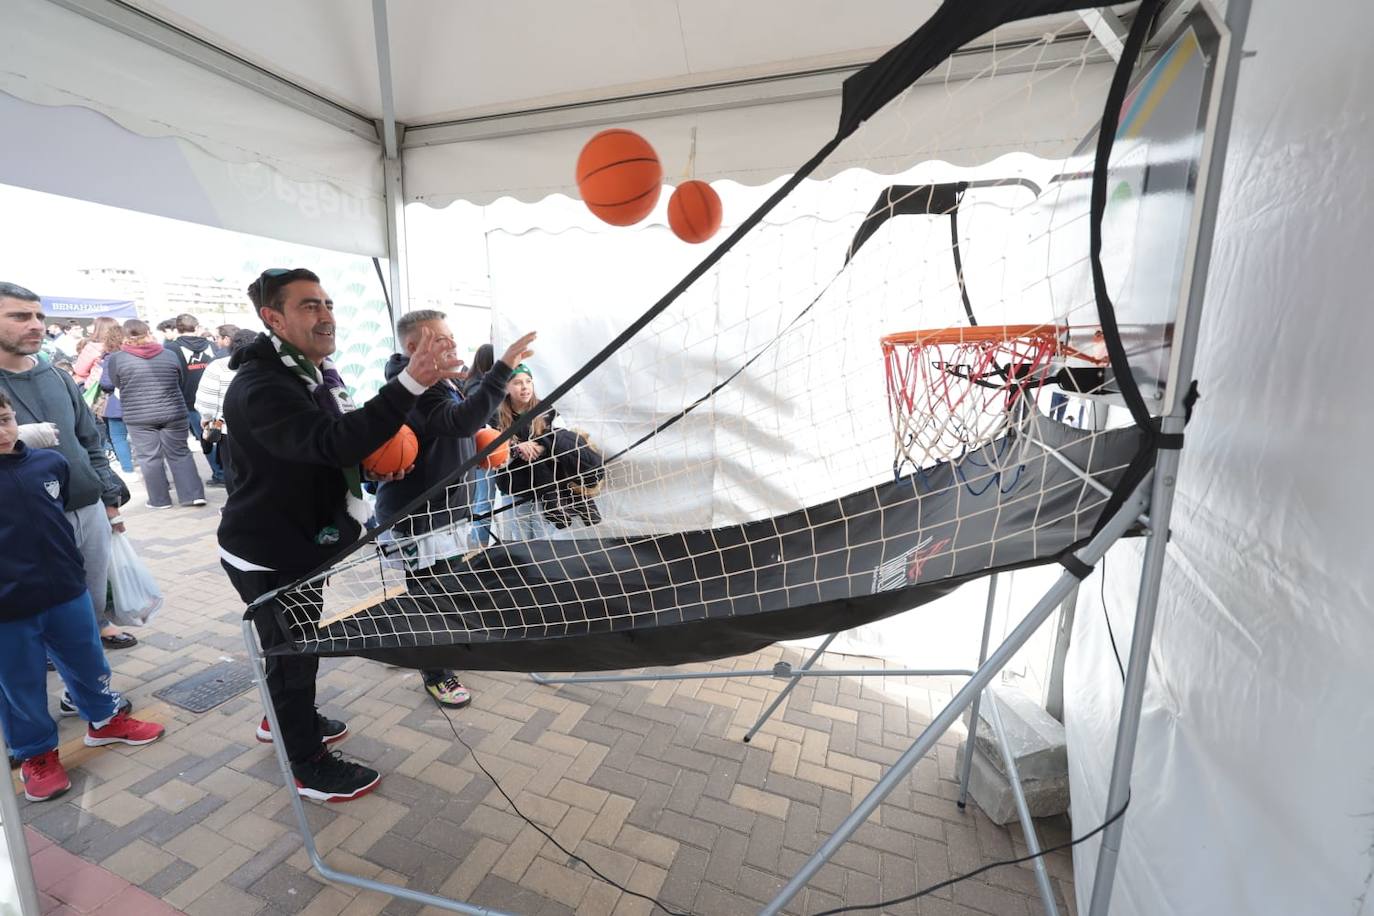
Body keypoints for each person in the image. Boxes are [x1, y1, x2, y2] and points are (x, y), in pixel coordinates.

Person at [218, 267, 463, 802]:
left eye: (327, 303)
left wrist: (372, 469)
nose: (326, 314)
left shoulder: (313, 375)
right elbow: (329, 442)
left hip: (305, 539)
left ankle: (285, 718)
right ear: (273, 318)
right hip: (269, 551)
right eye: (309, 306)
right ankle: (307, 765)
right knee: (292, 655)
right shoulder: (263, 386)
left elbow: (326, 454)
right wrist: (411, 384)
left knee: (296, 651)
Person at [0, 390, 166, 801]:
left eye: (3, 418)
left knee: (88, 661)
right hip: (8, 610)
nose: (1, 431)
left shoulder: (49, 463)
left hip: (66, 591)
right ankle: (36, 753)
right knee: (20, 685)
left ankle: (104, 720)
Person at [375, 313, 534, 709]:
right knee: (431, 597)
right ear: (414, 349)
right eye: (442, 339)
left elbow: (458, 431)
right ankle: (436, 671)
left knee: (445, 591)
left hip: (446, 513)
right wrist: (503, 369)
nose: (453, 345)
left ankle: (428, 649)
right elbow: (460, 422)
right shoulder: (411, 390)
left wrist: (477, 451)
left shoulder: (441, 382)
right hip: (418, 517)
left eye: (452, 336)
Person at [0, 283, 138, 650]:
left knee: (89, 596)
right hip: (22, 520)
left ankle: (87, 660)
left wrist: (107, 496)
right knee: (37, 613)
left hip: (85, 505)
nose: (35, 325)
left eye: (39, 316)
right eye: (19, 316)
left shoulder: (57, 375)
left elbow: (89, 439)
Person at [102, 319, 206, 509]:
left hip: (138, 415)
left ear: (125, 336)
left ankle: (160, 500)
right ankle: (192, 495)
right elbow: (179, 378)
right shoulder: (168, 353)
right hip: (173, 410)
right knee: (180, 453)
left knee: (149, 457)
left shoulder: (117, 358)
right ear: (149, 332)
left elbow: (115, 383)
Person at [194, 328, 256, 494]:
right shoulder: (270, 365)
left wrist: (206, 418)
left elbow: (206, 402)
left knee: (234, 471)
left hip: (230, 429)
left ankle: (240, 509)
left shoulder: (219, 366)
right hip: (265, 428)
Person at [165, 313, 222, 486]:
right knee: (224, 436)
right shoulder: (212, 345)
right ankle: (228, 471)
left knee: (207, 437)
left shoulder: (170, 349)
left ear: (177, 329)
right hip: (218, 397)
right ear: (196, 327)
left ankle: (219, 474)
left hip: (191, 402)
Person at [464, 344, 498, 547]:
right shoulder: (479, 387)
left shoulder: (471, 383)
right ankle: (480, 544)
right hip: (484, 452)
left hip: (476, 452)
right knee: (485, 500)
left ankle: (478, 540)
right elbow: (488, 415)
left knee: (481, 499)